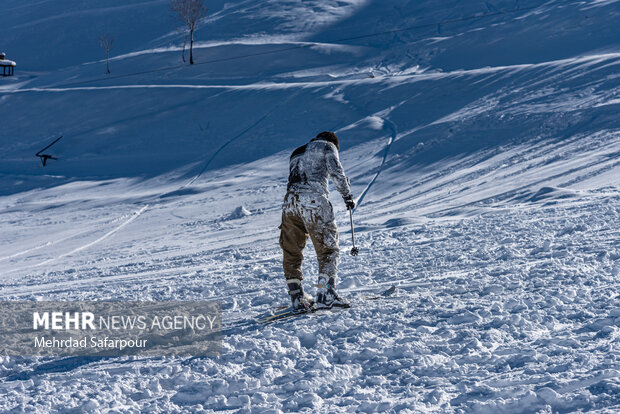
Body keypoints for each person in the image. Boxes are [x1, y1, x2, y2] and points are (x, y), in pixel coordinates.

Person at [279, 131, 355, 310]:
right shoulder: (327, 146)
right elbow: (337, 172)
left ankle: (297, 297)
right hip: (313, 201)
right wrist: (348, 196)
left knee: (292, 250)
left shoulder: (297, 152)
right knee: (328, 249)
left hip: (290, 203)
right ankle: (325, 292)